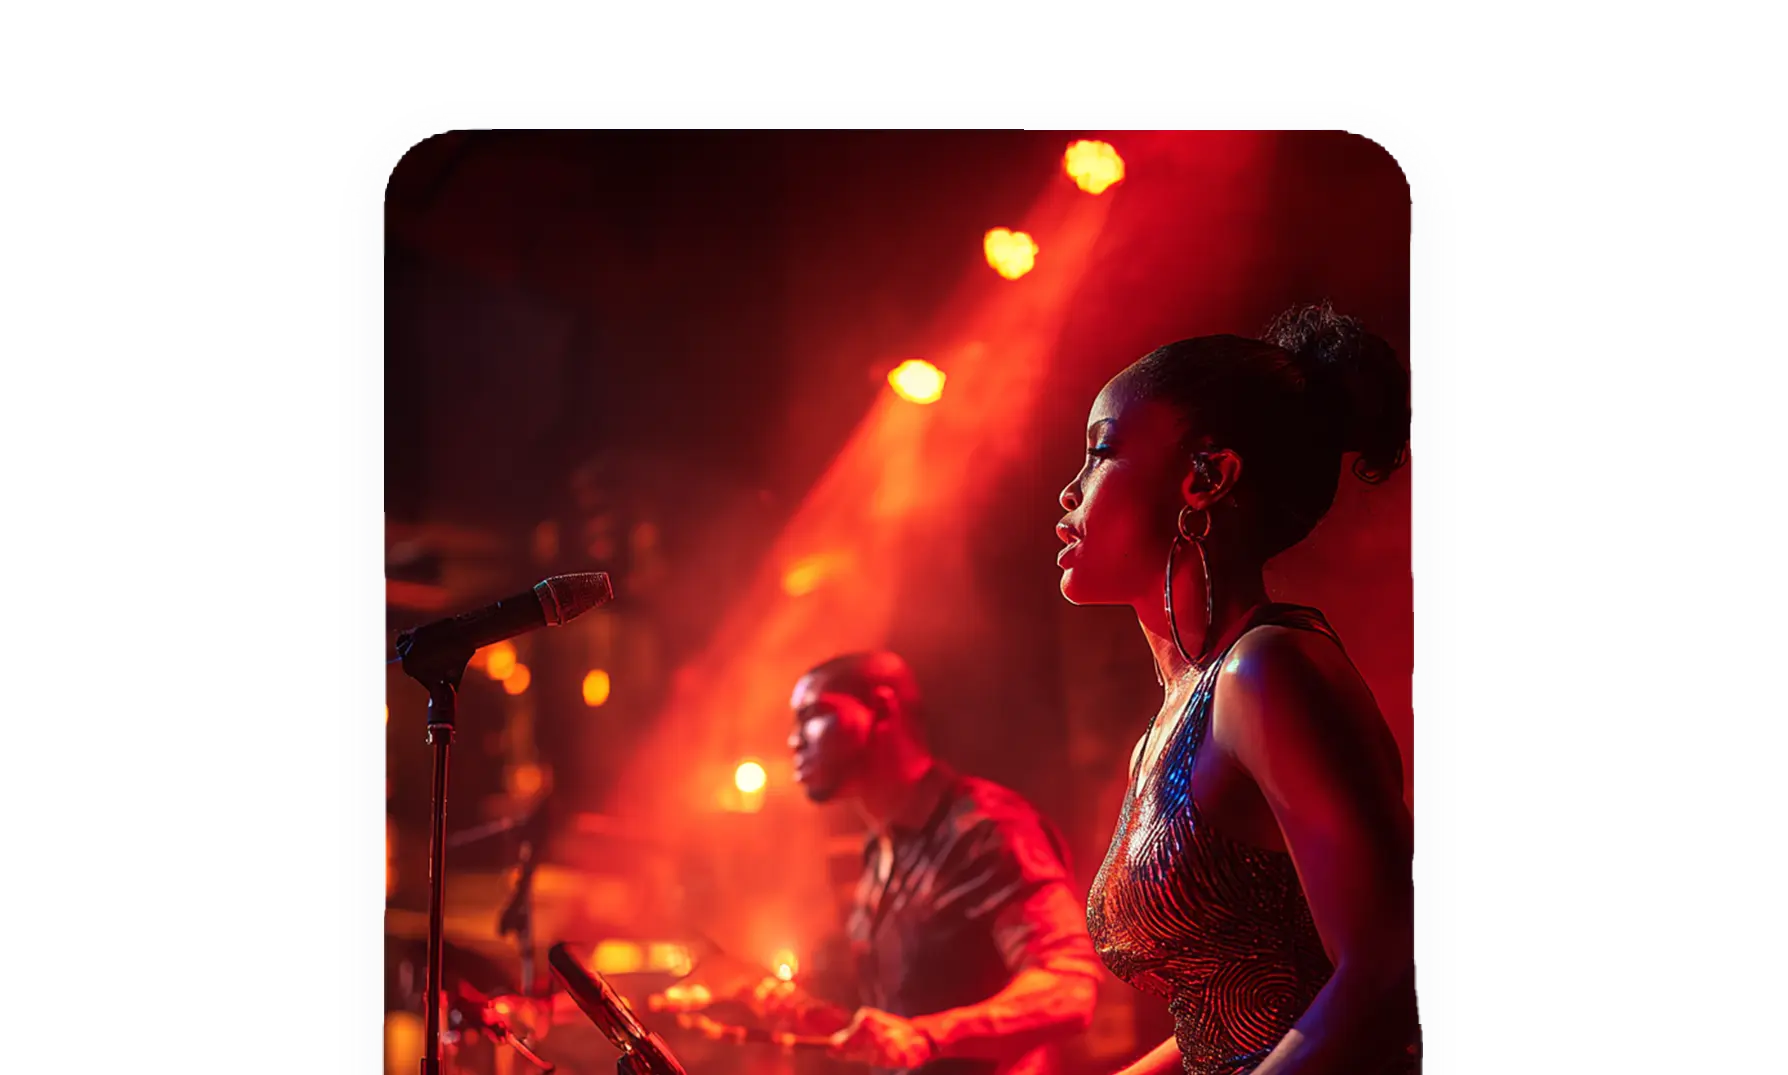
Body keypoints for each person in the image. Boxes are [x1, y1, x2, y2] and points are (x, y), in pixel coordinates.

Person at [1054, 303, 1421, 1075]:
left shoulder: (1267, 673)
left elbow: (1386, 971)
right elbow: (1225, 1026)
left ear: (1205, 475)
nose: (1070, 490)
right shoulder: (1165, 726)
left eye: (1101, 453)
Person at [659, 651, 1102, 1075]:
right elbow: (897, 1023)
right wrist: (802, 1013)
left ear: (883, 708)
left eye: (814, 714)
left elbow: (1069, 988)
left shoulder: (986, 829)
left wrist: (926, 1036)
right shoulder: (876, 851)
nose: (794, 740)